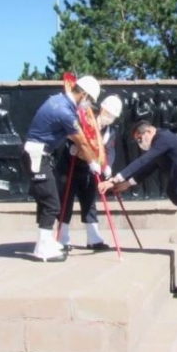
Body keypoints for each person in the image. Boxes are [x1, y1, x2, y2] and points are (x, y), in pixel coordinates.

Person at [98, 121, 177, 299]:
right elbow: (148, 167)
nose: (140, 144)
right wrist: (126, 185)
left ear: (147, 132)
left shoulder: (163, 138)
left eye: (139, 139)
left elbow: (143, 160)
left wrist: (114, 180)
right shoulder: (160, 145)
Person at [23, 75, 102, 262]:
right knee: (52, 203)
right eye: (89, 99)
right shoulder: (66, 112)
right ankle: (42, 249)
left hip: (39, 154)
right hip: (36, 156)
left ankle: (46, 240)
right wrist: (93, 163)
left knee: (48, 202)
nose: (88, 105)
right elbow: (82, 140)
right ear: (83, 94)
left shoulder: (57, 100)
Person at [58, 95, 123, 251]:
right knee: (66, 203)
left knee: (89, 202)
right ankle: (63, 238)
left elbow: (110, 150)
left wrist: (108, 166)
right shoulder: (86, 120)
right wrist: (70, 148)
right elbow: (70, 135)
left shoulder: (110, 132)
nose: (109, 118)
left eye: (112, 116)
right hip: (70, 166)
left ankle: (93, 238)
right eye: (107, 113)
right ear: (102, 108)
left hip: (90, 171)